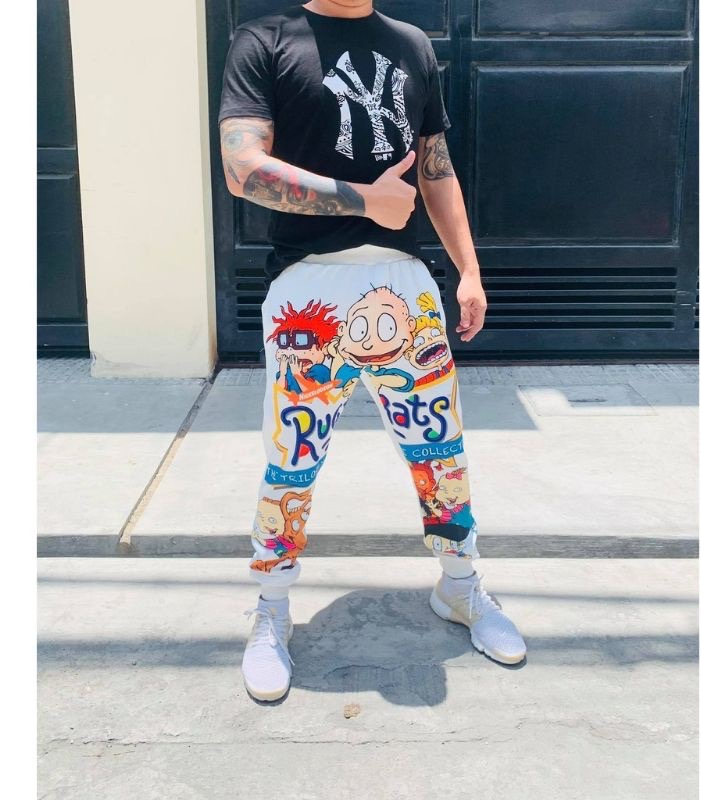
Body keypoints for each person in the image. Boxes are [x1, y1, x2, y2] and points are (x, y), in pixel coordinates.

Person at [218, 0, 526, 702]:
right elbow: (242, 167)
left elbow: (435, 170)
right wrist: (364, 199)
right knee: (291, 461)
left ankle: (459, 586)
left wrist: (469, 270)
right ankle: (271, 608)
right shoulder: (264, 40)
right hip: (307, 292)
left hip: (405, 283)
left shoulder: (412, 44)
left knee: (439, 453)